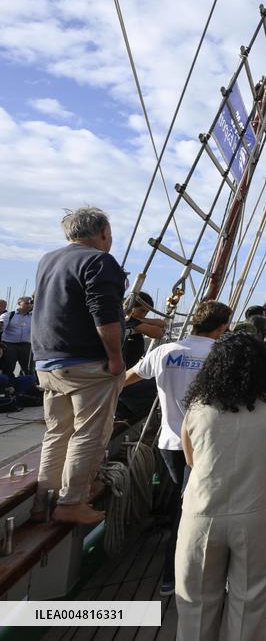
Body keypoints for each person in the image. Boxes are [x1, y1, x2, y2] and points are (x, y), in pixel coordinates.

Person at [175, 332, 266, 641]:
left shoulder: (196, 409)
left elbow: (190, 461)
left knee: (195, 606)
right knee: (248, 603)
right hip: (256, 512)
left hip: (201, 514)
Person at [123, 299, 232, 597]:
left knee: (180, 507)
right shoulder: (221, 354)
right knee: (202, 510)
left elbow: (125, 379)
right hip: (208, 445)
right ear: (222, 327)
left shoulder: (164, 352)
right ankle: (193, 575)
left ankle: (171, 576)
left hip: (170, 443)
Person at [30, 207, 127, 525]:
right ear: (102, 233)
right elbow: (104, 313)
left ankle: (43, 500)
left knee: (57, 431)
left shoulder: (49, 259)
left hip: (47, 363)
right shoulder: (99, 260)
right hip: (86, 364)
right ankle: (71, 503)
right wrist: (115, 357)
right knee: (89, 433)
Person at [121, 291, 167, 368]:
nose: (144, 314)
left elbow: (163, 323)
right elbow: (158, 333)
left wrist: (141, 320)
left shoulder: (133, 319)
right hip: (121, 369)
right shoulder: (126, 319)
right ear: (131, 307)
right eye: (142, 310)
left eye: (146, 312)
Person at [2, 296, 35, 377]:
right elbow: (1, 326)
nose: (29, 305)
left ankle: (27, 387)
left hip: (26, 346)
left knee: (28, 369)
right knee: (8, 368)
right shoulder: (9, 315)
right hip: (9, 345)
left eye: (30, 303)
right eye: (26, 303)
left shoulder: (33, 317)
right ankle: (8, 386)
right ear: (19, 304)